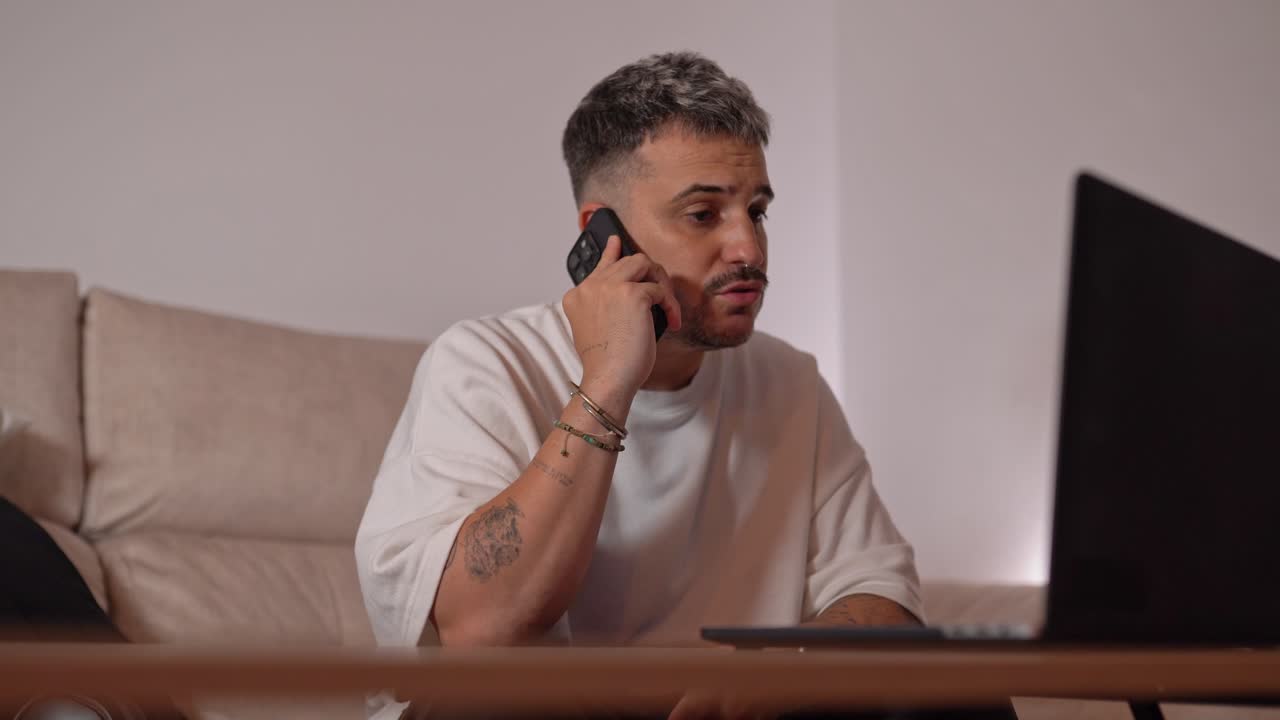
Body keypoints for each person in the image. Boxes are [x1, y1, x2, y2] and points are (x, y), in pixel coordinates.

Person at [356, 52, 1009, 720]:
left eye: (757, 211)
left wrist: (786, 669)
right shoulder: (485, 363)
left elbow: (883, 602)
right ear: (604, 236)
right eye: (703, 214)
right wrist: (609, 382)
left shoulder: (791, 383)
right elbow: (482, 630)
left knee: (958, 692)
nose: (748, 248)